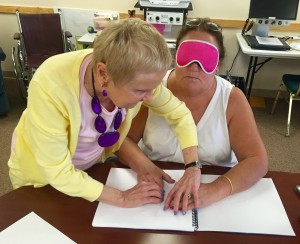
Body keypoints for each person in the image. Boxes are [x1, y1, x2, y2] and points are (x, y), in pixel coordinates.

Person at [8, 18, 200, 208]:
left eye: (154, 87)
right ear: (103, 74)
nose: (150, 97)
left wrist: (192, 166)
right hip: (40, 180)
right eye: (140, 91)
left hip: (87, 171)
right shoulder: (50, 85)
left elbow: (179, 114)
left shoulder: (138, 73)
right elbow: (57, 171)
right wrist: (122, 198)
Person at [128, 17, 268, 212]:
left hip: (215, 200)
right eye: (188, 55)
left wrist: (217, 189)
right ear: (176, 55)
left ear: (218, 65)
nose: (194, 66)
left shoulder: (232, 99)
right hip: (155, 189)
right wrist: (145, 166)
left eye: (205, 58)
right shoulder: (152, 89)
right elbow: (123, 140)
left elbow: (257, 160)